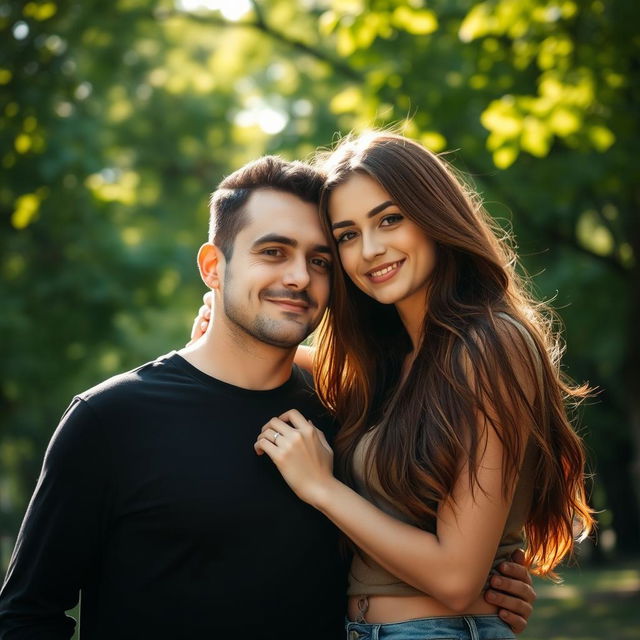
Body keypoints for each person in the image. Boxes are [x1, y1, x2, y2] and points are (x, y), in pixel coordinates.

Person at [0, 155, 534, 640]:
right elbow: (27, 615)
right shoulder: (112, 419)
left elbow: (451, 560)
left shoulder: (343, 409)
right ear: (213, 267)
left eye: (321, 260)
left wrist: (487, 583)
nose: (299, 277)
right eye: (273, 252)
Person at [196, 132, 592, 640]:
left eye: (389, 219)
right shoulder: (395, 366)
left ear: (433, 216)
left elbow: (455, 578)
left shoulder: (492, 344)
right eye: (346, 235)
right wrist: (225, 323)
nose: (371, 250)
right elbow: (309, 363)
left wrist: (322, 488)